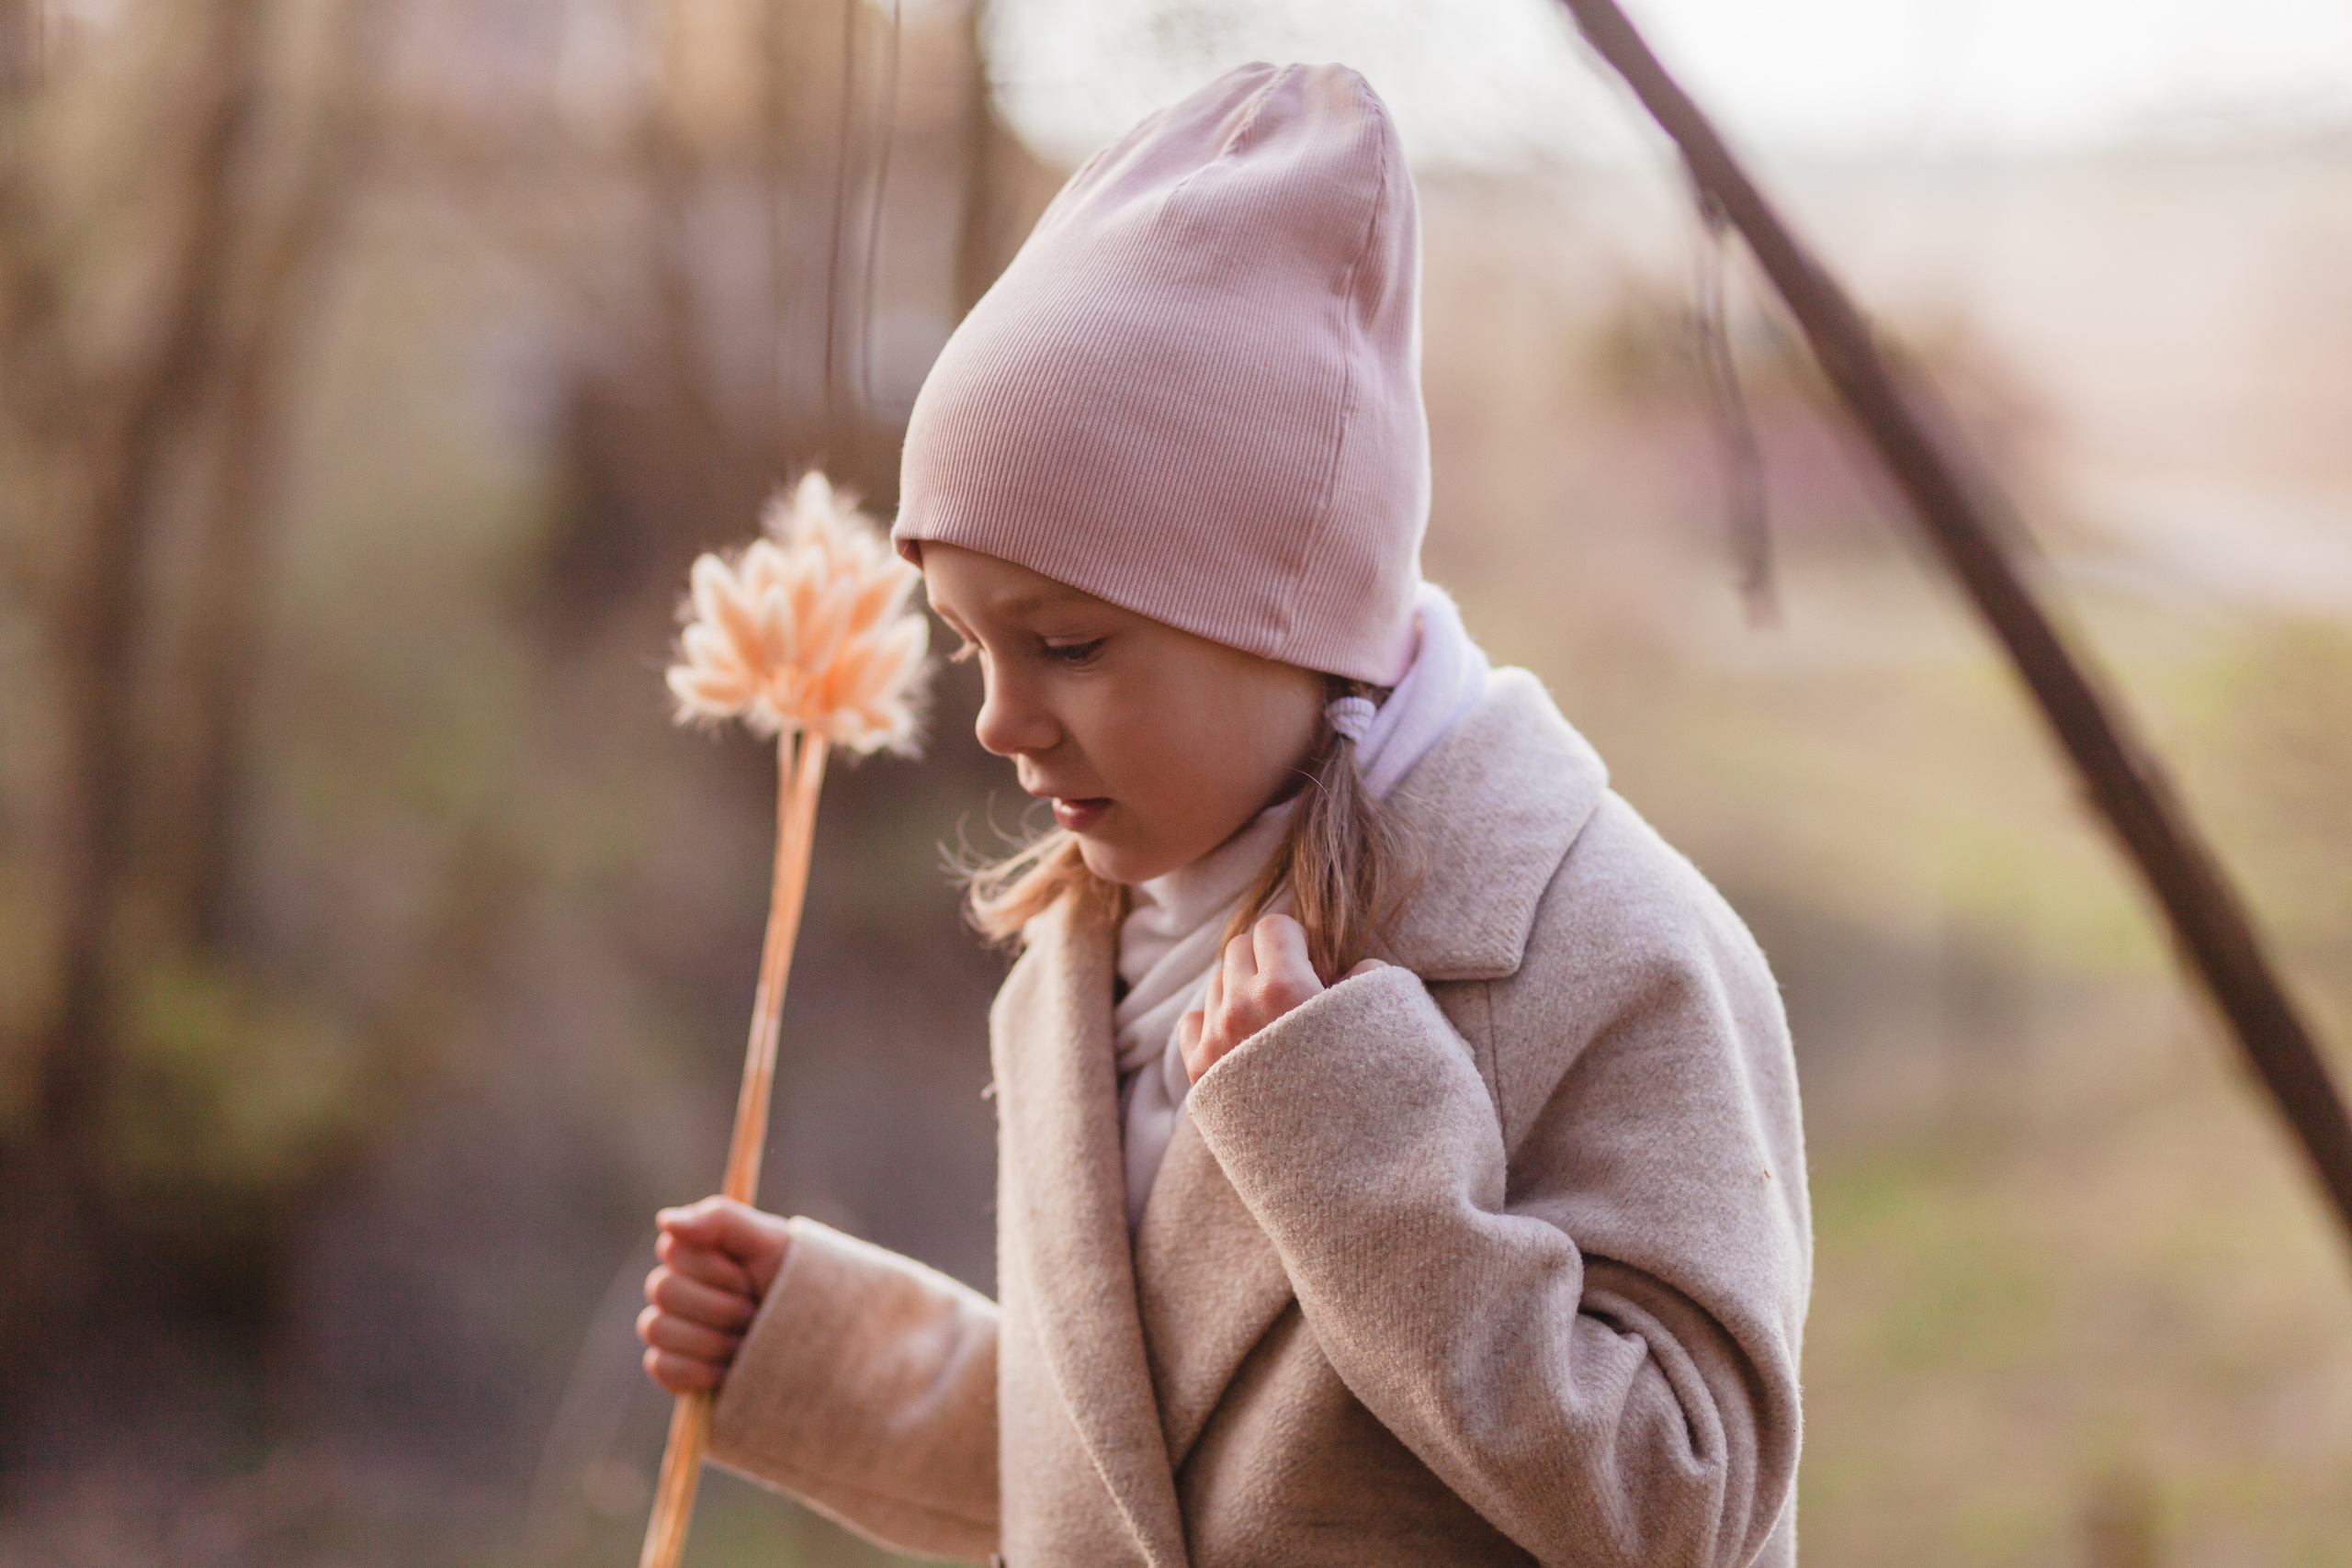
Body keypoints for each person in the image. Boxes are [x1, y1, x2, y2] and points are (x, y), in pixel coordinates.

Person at [637, 61, 1810, 1568]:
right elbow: (1145, 1468)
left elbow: (1680, 1506)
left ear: (1288, 610)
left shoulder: (1613, 953)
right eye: (970, 644)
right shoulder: (1087, 953)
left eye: (1068, 644)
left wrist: (1355, 1152)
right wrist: (818, 1355)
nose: (996, 721)